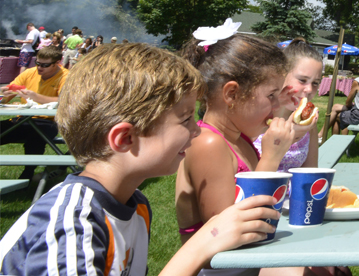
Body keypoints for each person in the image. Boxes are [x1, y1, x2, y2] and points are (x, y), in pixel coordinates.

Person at [0, 43, 276, 276]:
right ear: (125, 139)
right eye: (185, 119)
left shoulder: (136, 206)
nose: (196, 130)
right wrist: (201, 245)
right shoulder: (72, 223)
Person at [176, 27, 302, 254]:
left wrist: (281, 110)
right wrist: (272, 157)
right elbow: (229, 235)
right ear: (232, 95)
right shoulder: (208, 144)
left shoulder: (239, 139)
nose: (275, 105)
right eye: (271, 95)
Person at [0, 45, 69, 180]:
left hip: (48, 121)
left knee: (36, 135)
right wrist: (5, 94)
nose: (39, 67)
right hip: (21, 119)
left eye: (45, 65)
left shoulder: (66, 77)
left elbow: (65, 101)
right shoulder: (29, 73)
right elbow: (10, 92)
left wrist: (36, 97)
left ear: (57, 63)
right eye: (37, 63)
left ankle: (27, 175)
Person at [253, 38, 322, 170]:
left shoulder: (308, 125)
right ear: (281, 75)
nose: (309, 90)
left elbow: (310, 172)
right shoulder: (256, 119)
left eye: (315, 83)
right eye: (302, 80)